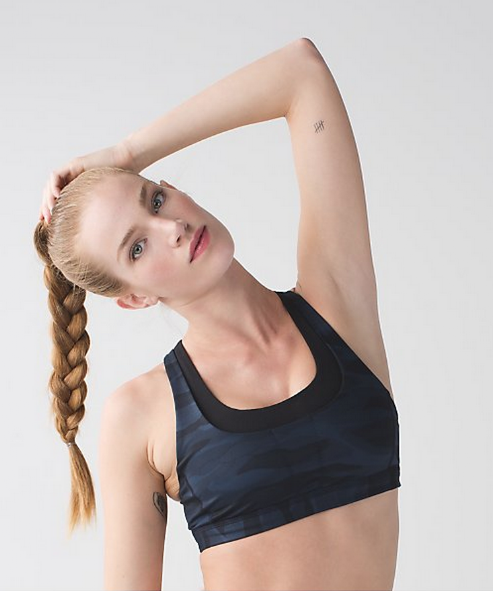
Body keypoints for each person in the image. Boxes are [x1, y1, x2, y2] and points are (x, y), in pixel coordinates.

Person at [35, 38, 401, 591]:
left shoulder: (337, 305)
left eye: (155, 200)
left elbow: (301, 71)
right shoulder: (143, 415)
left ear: (170, 187)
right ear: (134, 298)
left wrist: (129, 152)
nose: (172, 228)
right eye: (138, 248)